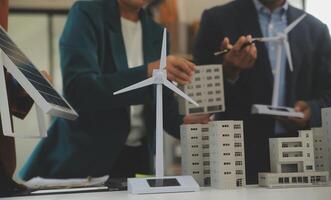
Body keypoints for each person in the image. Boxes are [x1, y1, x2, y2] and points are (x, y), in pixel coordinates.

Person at [20, 0, 210, 181]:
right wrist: (147, 72)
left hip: (138, 161)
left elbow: (161, 106)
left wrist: (183, 122)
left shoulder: (158, 33)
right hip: (85, 161)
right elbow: (79, 89)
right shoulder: (87, 13)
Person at [194, 0, 331, 184]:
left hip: (300, 157)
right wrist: (228, 71)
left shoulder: (316, 29)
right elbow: (197, 92)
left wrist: (312, 110)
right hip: (237, 158)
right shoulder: (217, 19)